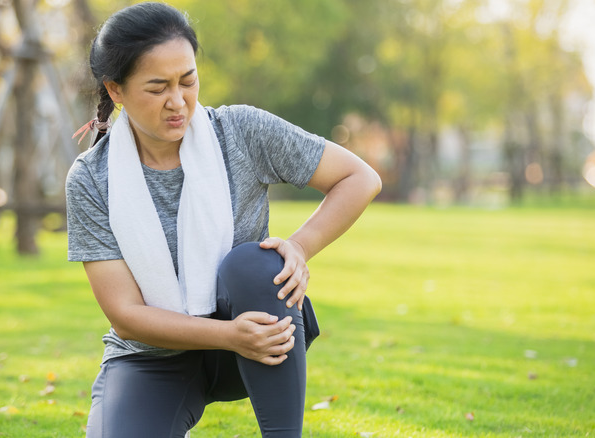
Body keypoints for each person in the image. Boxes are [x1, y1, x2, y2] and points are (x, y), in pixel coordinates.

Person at [65, 2, 381, 437]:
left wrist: (301, 247)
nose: (178, 102)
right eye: (157, 88)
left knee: (254, 263)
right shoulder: (90, 178)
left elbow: (359, 177)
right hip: (153, 354)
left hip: (255, 336)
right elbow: (125, 314)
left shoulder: (241, 132)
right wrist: (229, 335)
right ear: (115, 90)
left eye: (188, 81)